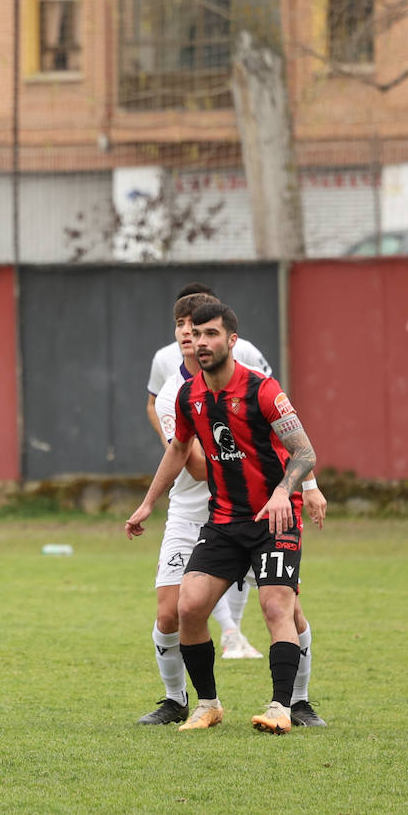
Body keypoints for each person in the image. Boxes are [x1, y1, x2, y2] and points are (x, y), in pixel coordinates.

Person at [127, 302, 326, 735]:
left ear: (231, 341)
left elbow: (305, 451)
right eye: (196, 335)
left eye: (211, 334)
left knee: (278, 607)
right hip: (224, 520)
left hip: (274, 520)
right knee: (190, 606)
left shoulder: (265, 390)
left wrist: (283, 493)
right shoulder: (187, 395)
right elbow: (179, 450)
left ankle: (282, 706)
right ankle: (208, 705)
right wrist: (147, 503)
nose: (201, 342)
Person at [145, 282, 271, 660]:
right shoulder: (174, 391)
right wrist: (178, 445)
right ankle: (179, 699)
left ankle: (297, 702)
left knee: (283, 608)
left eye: (200, 329)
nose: (191, 334)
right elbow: (195, 464)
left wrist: (303, 484)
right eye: (183, 325)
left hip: (248, 506)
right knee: (173, 611)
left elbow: (280, 422)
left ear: (228, 337)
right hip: (192, 509)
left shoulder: (250, 368)